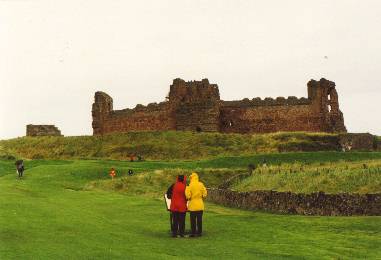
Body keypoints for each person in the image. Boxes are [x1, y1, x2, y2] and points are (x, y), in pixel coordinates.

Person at [185, 172, 207, 237]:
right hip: (200, 204)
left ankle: (193, 232)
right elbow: (205, 193)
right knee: (199, 220)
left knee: (193, 220)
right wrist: (202, 196)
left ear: (192, 178)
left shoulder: (190, 185)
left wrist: (189, 197)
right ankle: (199, 232)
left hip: (193, 205)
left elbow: (188, 196)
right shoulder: (201, 184)